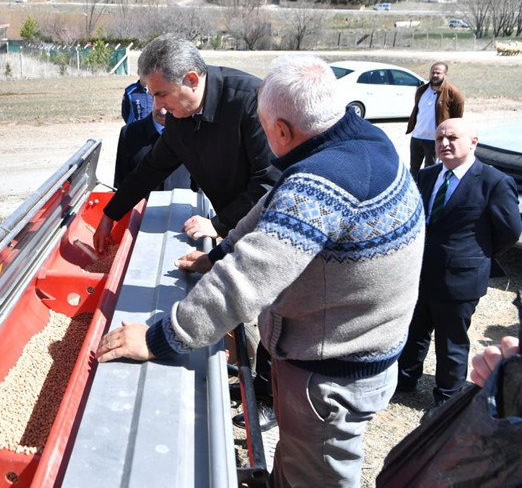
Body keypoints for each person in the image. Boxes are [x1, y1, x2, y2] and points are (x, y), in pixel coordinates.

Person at [96, 54, 426, 487]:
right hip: (354, 347)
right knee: (296, 459)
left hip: (329, 376)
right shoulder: (364, 142)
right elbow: (269, 209)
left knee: (319, 474)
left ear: (284, 131)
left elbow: (246, 282)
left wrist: (158, 338)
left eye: (268, 130)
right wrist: (216, 254)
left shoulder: (321, 186)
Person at [94, 33, 277, 253]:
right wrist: (110, 213)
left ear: (191, 80)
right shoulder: (179, 117)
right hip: (236, 230)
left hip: (273, 233)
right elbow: (152, 167)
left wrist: (218, 224)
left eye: (162, 94)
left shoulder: (251, 101)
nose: (158, 106)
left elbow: (270, 181)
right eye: (152, 95)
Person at [397, 118, 522, 413]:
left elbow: (509, 230)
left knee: (451, 341)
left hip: (460, 279)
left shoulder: (493, 181)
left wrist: (477, 255)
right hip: (422, 273)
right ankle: (405, 380)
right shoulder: (427, 175)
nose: (444, 144)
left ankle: (446, 397)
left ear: (473, 142)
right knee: (415, 331)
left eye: (452, 138)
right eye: (440, 138)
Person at [114, 96, 190, 191]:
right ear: (152, 97)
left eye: (169, 104)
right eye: (160, 101)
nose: (163, 112)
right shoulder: (129, 133)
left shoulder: (194, 132)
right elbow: (120, 183)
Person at [406, 62, 464, 177]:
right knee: (413, 169)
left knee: (430, 171)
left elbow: (457, 119)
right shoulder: (421, 90)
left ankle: (427, 194)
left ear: (445, 74)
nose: (435, 75)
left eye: (438, 73)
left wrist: (448, 137)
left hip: (435, 139)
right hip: (417, 137)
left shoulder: (453, 93)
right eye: (433, 72)